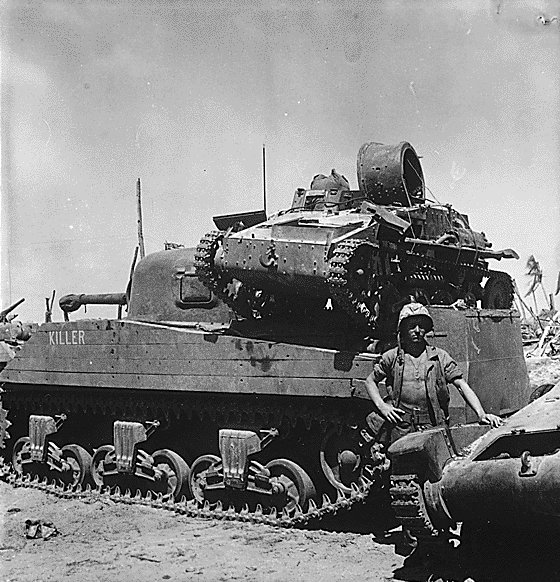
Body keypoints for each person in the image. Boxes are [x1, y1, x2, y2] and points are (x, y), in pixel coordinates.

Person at [365, 302, 502, 443]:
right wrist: (383, 407)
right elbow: (370, 381)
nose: (417, 330)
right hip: (401, 426)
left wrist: (481, 414)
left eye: (421, 325)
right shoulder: (392, 357)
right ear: (403, 329)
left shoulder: (440, 357)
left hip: (432, 425)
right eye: (411, 326)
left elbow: (461, 385)